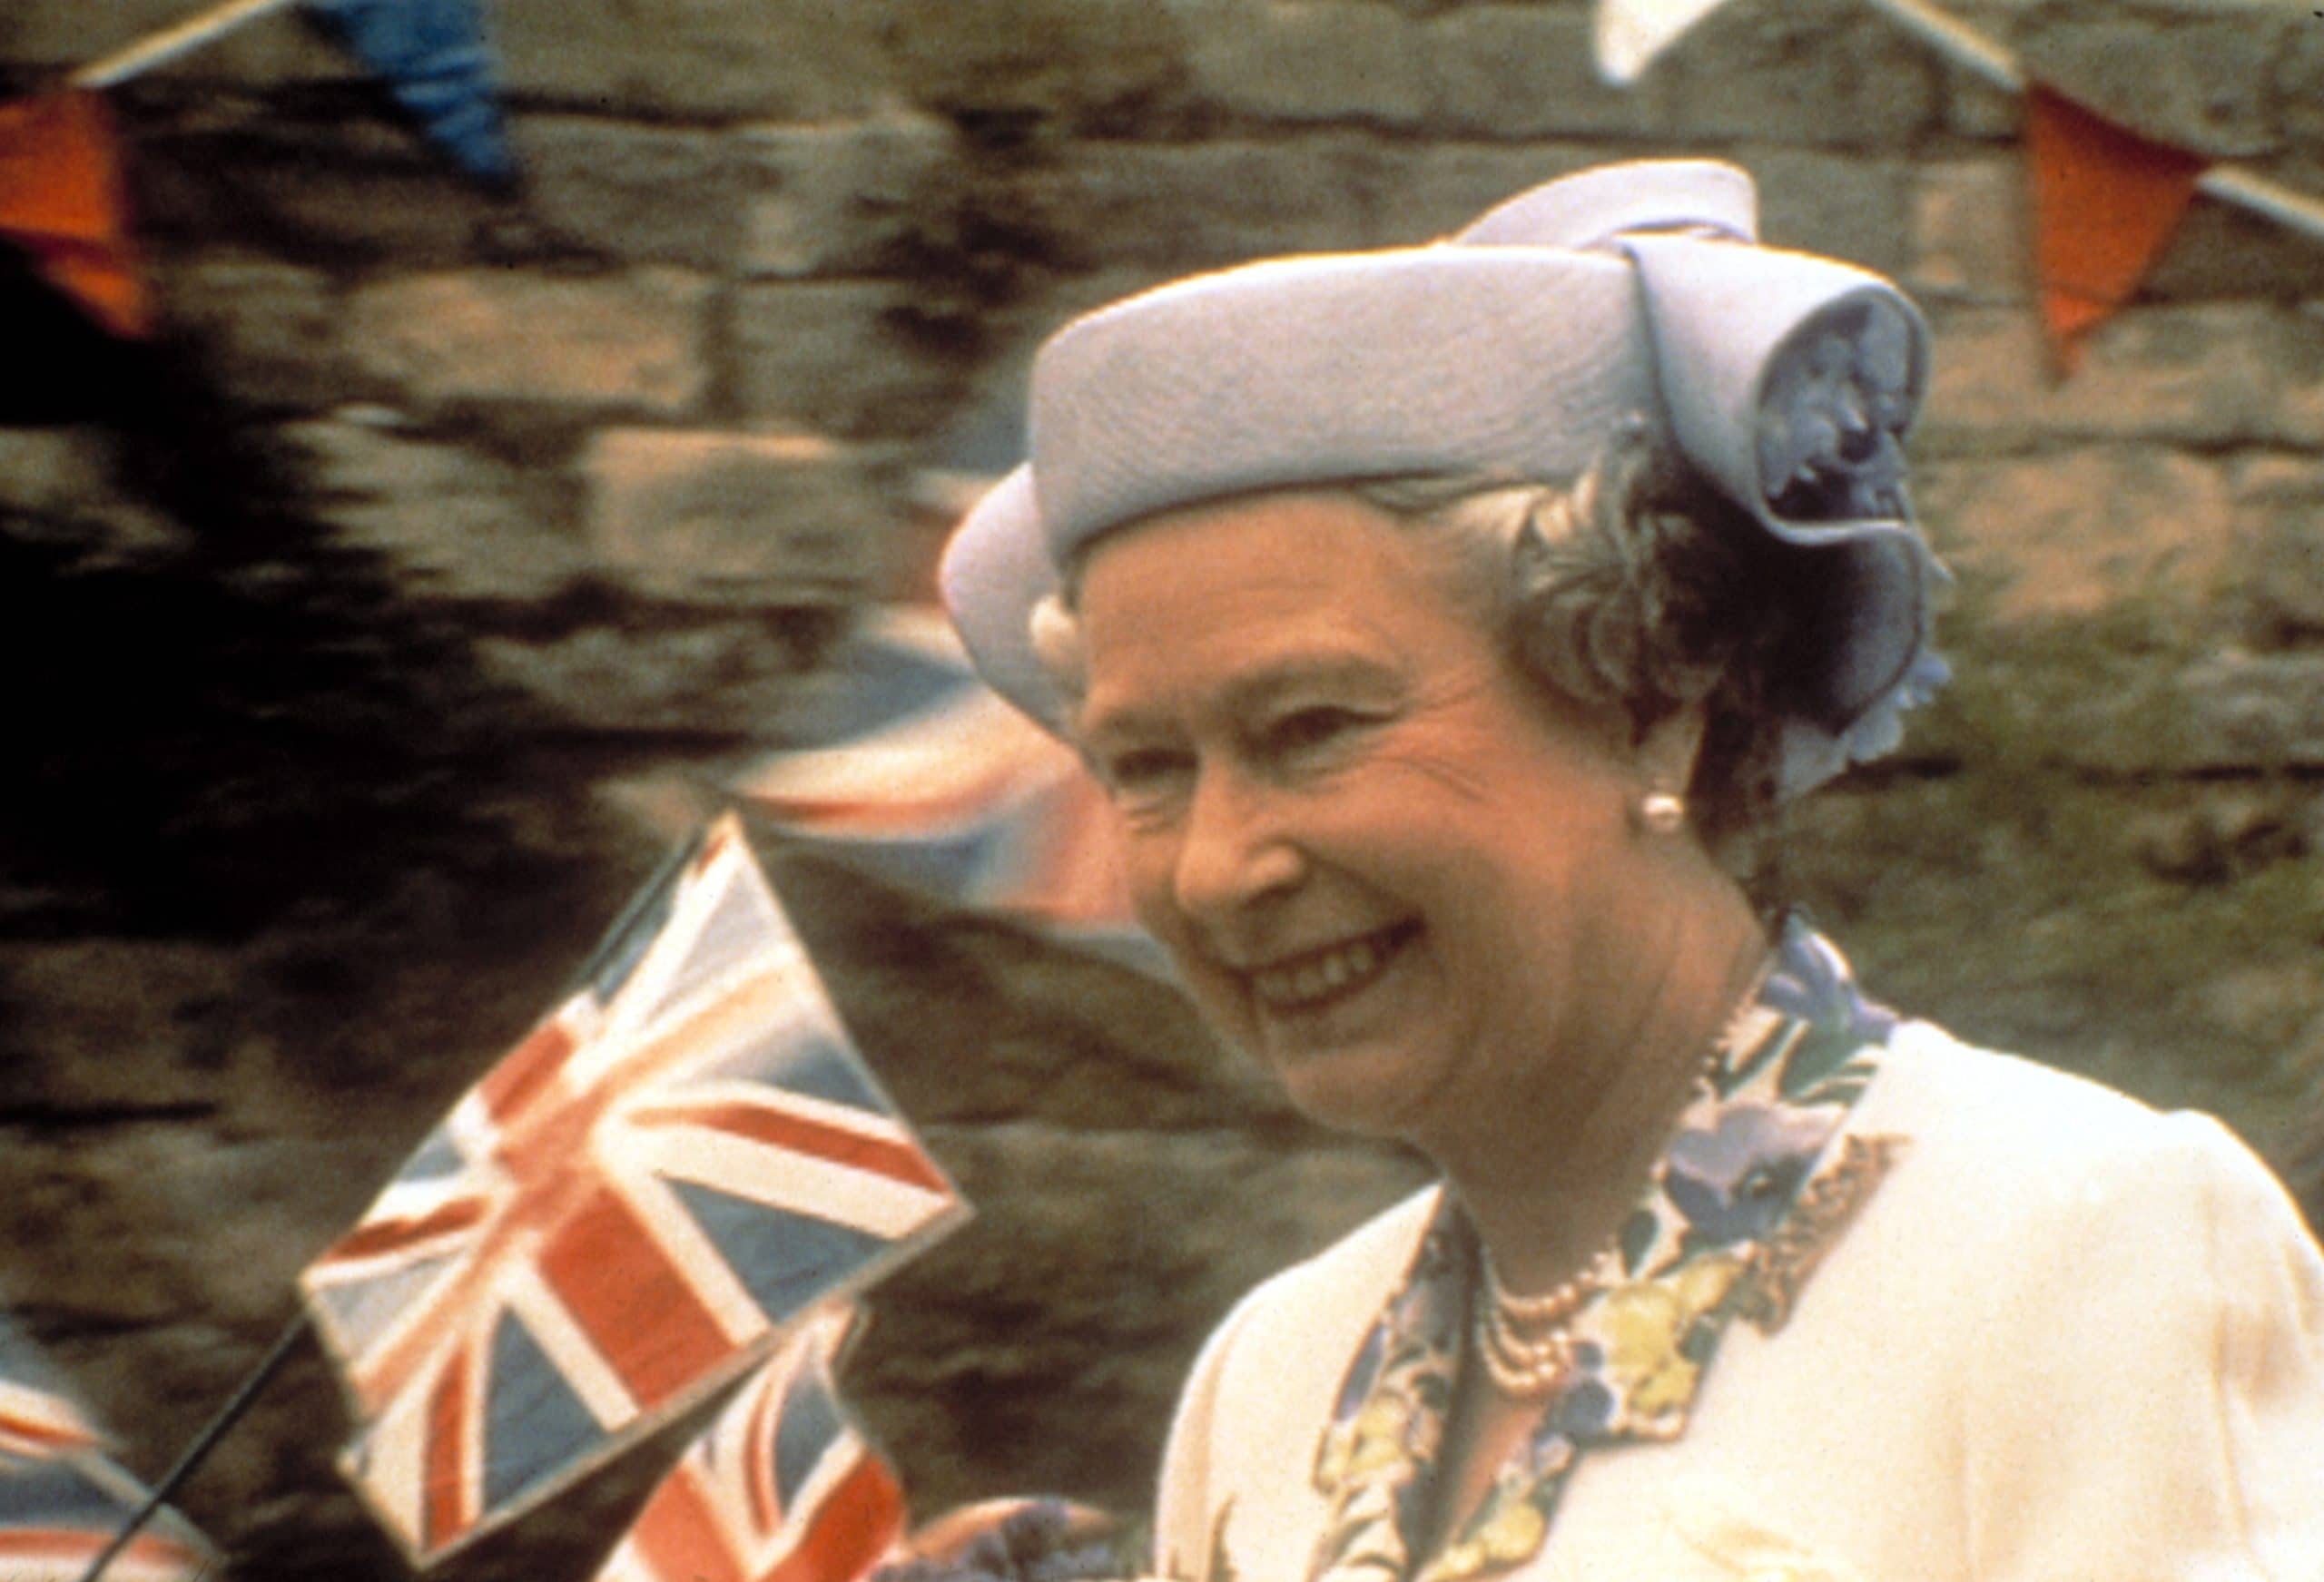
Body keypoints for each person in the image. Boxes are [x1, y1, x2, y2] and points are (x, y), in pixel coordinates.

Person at [934, 161, 2324, 1580]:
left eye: (1311, 731)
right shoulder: (1275, 1377)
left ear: (1652, 693)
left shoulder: (2076, 1250)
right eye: (1149, 769)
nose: (1224, 867)